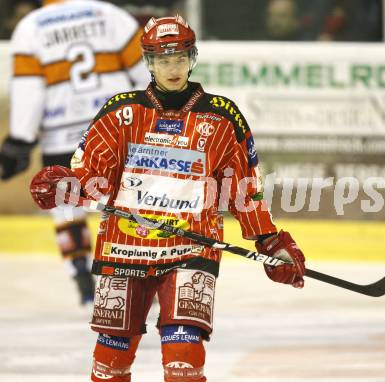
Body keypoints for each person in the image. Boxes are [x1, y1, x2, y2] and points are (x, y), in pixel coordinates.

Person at [29, 15, 306, 381]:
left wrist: (270, 240)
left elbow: (243, 188)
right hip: (123, 247)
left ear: (192, 58)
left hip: (191, 249)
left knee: (183, 358)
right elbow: (92, 178)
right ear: (149, 62)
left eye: (179, 58)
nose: (172, 68)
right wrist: (66, 186)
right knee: (110, 362)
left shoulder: (222, 117)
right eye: (162, 59)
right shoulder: (120, 113)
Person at [0, 0, 150, 304]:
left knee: (66, 207)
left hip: (60, 137)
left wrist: (21, 139)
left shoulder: (32, 27)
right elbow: (144, 70)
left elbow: (30, 90)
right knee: (128, 200)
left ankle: (82, 277)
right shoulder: (107, 14)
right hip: (115, 129)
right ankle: (137, 273)